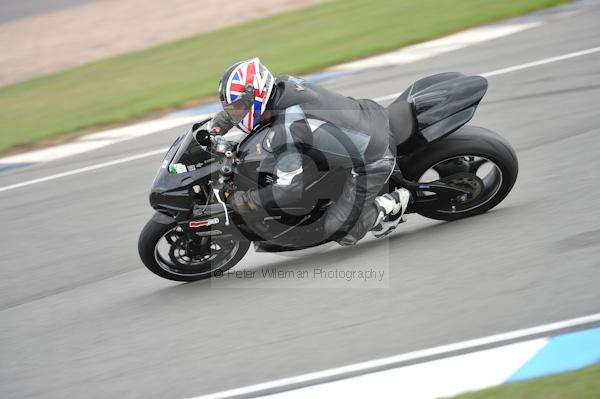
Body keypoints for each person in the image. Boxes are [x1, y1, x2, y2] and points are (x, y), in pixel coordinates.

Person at [209, 58, 410, 246]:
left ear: (257, 97)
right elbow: (244, 108)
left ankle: (391, 204)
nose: (234, 111)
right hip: (368, 115)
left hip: (374, 157)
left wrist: (242, 200)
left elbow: (287, 191)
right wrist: (216, 129)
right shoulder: (283, 84)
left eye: (236, 106)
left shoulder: (287, 130)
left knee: (338, 230)